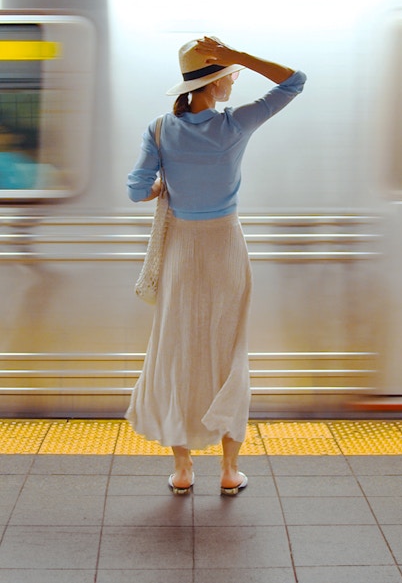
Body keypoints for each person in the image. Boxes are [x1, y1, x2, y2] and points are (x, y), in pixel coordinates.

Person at [126, 36, 306, 495]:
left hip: (182, 252)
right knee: (228, 352)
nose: (235, 78)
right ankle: (229, 471)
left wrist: (164, 188)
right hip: (226, 246)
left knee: (176, 349)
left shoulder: (160, 129)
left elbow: (136, 189)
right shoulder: (236, 124)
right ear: (218, 78)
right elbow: (294, 81)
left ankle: (183, 470)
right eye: (230, 73)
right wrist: (241, 54)